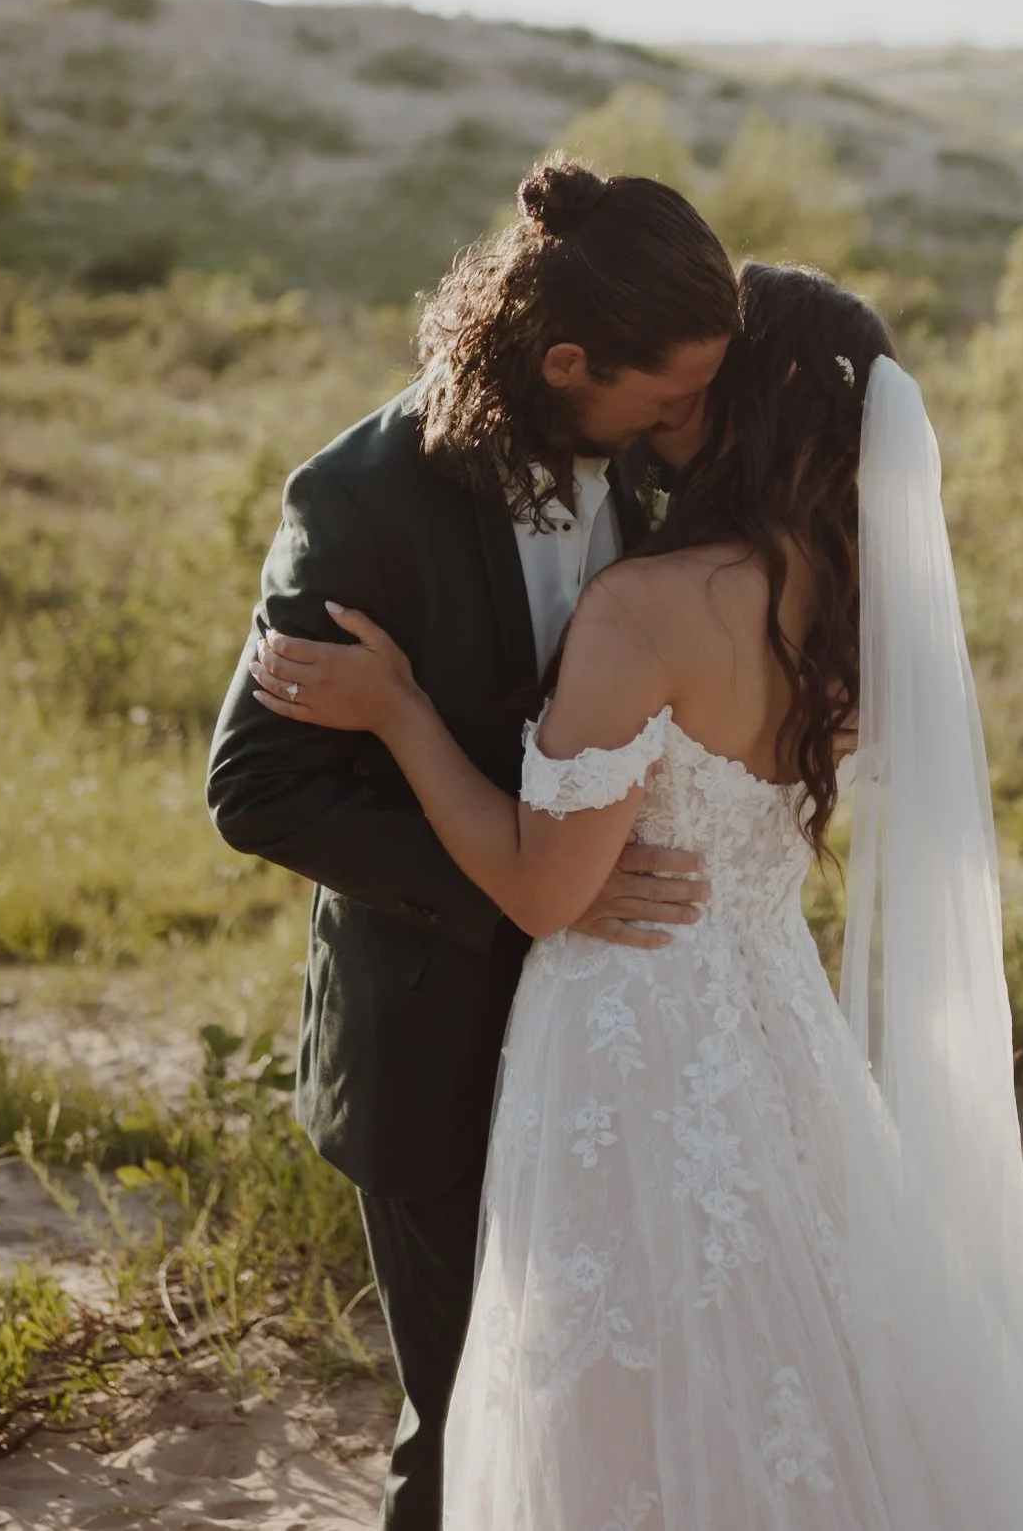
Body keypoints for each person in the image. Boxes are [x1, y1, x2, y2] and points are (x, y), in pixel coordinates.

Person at [251, 260, 1023, 1529]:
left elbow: (548, 886)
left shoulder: (648, 606)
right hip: (772, 1023)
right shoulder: (851, 603)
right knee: (798, 1363)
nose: (673, 390)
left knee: (610, 1395)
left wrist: (402, 714)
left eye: (705, 372)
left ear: (743, 402)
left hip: (627, 1037)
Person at [206, 159, 740, 1531]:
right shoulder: (360, 498)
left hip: (625, 1038)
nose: (691, 412)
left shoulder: (666, 466)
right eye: (666, 388)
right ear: (566, 359)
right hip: (435, 1031)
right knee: (464, 1421)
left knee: (599, 1400)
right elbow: (257, 788)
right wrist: (527, 883)